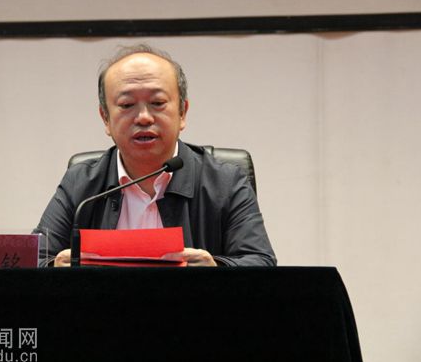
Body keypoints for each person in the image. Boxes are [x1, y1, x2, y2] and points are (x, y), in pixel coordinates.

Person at [34, 44, 276, 267]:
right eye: (127, 105)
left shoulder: (225, 182)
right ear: (105, 118)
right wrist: (54, 267)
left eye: (158, 102)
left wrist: (216, 269)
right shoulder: (80, 184)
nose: (144, 118)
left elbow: (261, 262)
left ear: (182, 112)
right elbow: (31, 260)